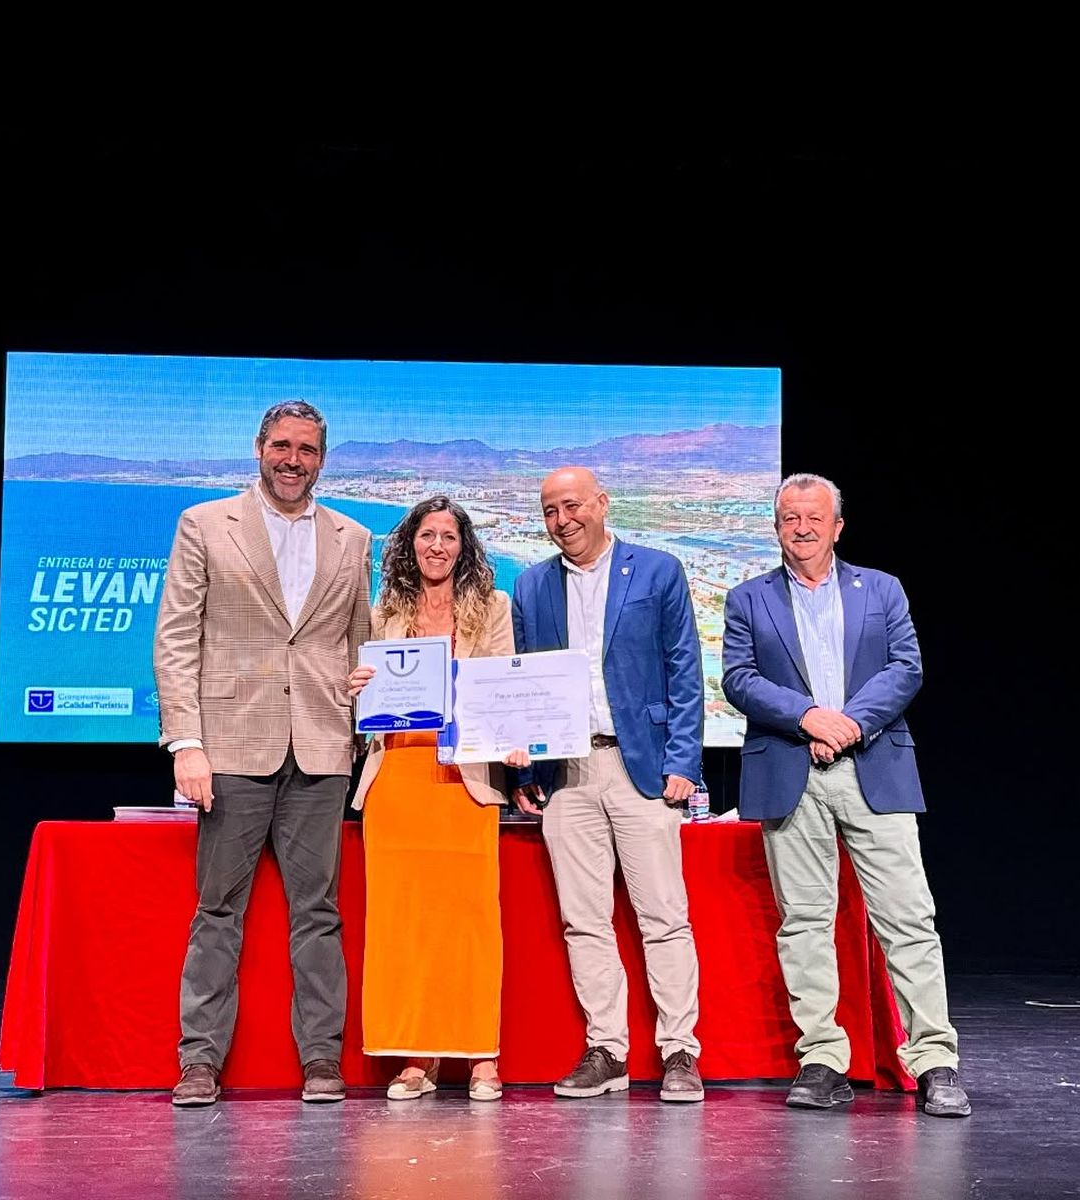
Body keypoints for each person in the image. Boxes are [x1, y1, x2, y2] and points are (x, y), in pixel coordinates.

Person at [721, 472, 971, 1118]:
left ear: (837, 527)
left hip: (873, 767)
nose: (799, 529)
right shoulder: (749, 599)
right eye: (787, 519)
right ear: (775, 527)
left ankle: (934, 1060)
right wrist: (809, 716)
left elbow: (906, 667)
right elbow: (740, 679)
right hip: (789, 766)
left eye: (812, 518)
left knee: (908, 919)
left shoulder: (881, 590)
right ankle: (823, 1059)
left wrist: (850, 723)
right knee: (804, 921)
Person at [154, 399, 372, 1108]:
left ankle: (320, 1061)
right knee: (218, 909)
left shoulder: (353, 536)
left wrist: (367, 691)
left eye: (307, 449)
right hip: (231, 747)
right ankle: (199, 1062)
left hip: (320, 747)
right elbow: (177, 638)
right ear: (258, 448)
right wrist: (187, 743)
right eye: (282, 445)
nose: (292, 460)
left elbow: (355, 644)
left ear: (323, 458)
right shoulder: (204, 525)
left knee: (320, 913)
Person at [509, 466, 707, 1103]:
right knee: (583, 921)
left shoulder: (657, 571)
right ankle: (608, 1050)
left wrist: (683, 761)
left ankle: (680, 1052)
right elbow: (525, 683)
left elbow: (685, 669)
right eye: (549, 511)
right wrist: (527, 768)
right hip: (566, 773)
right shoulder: (533, 585)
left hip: (641, 766)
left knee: (664, 919)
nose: (562, 521)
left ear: (601, 504)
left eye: (571, 506)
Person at [346, 495, 528, 1102]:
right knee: (404, 927)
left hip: (464, 785)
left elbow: (503, 685)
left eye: (449, 537)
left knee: (470, 924)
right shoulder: (384, 612)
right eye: (428, 535)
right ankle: (417, 1059)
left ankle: (481, 1057)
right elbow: (362, 704)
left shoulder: (493, 608)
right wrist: (359, 690)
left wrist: (513, 741)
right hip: (396, 781)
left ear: (464, 546)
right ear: (411, 544)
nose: (438, 547)